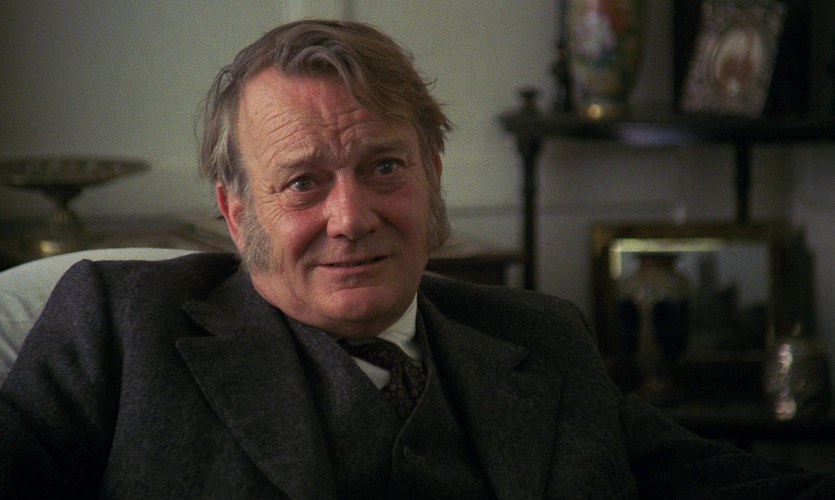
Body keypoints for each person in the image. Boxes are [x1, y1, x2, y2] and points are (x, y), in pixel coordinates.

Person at [0, 19, 833, 499]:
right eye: (302, 182)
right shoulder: (117, 328)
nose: (351, 218)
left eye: (384, 168)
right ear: (235, 209)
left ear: (431, 174)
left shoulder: (541, 338)